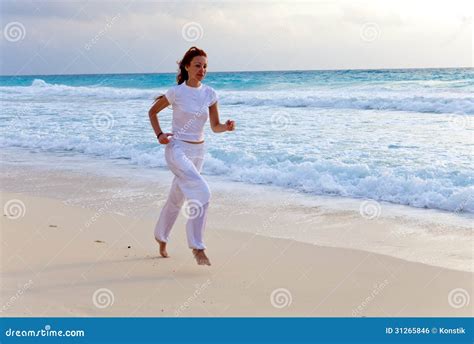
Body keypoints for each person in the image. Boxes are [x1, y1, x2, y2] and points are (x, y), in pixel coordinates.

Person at [148, 47, 235, 266]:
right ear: (186, 67)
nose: (202, 70)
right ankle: (197, 246)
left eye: (205, 66)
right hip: (177, 149)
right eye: (197, 65)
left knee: (176, 198)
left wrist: (226, 127)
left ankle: (161, 237)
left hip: (199, 152)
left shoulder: (210, 94)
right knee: (203, 192)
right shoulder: (176, 92)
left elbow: (214, 127)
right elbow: (152, 112)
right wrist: (159, 135)